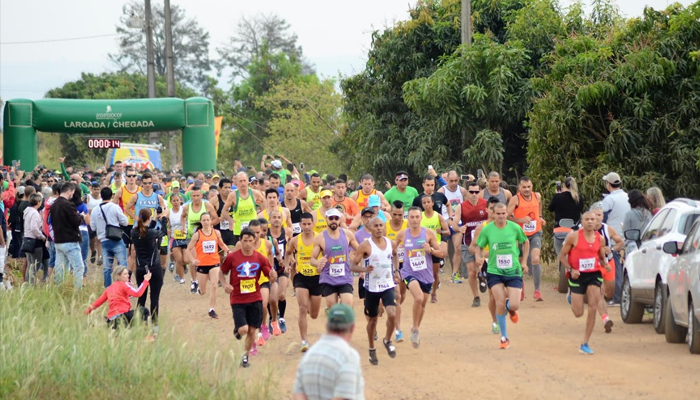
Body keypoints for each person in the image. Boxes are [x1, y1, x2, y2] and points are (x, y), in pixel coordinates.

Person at [219, 227, 277, 368]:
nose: (247, 244)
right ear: (240, 241)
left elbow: (269, 271)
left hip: (255, 298)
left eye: (250, 241)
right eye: (245, 241)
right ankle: (238, 330)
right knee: (244, 329)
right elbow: (222, 272)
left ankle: (245, 356)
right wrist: (225, 284)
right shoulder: (233, 257)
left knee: (252, 330)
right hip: (238, 299)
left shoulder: (259, 257)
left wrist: (272, 275)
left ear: (254, 241)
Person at [475, 202, 529, 349]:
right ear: (493, 214)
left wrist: (524, 262)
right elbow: (478, 246)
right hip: (495, 271)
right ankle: (504, 337)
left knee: (515, 304)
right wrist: (478, 257)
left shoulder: (515, 228)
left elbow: (525, 242)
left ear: (507, 213)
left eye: (503, 213)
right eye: (497, 213)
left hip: (513, 271)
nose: (500, 216)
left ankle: (509, 307)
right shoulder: (488, 230)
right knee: (498, 302)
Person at [559, 211, 610, 355]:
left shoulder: (600, 239)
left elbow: (600, 257)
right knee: (578, 312)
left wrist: (605, 264)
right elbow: (562, 256)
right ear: (582, 221)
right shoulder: (573, 237)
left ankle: (585, 343)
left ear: (596, 222)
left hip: (594, 274)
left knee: (593, 307)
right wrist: (571, 269)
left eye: (592, 219)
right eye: (587, 219)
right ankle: (571, 295)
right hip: (577, 275)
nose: (589, 222)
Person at [394, 207, 445, 348]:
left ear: (421, 218)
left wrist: (431, 250)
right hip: (409, 272)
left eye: (417, 217)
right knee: (418, 297)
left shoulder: (428, 233)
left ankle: (415, 328)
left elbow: (441, 253)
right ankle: (415, 329)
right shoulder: (402, 234)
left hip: (426, 274)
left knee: (422, 305)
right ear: (408, 218)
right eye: (412, 217)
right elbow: (392, 250)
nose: (415, 220)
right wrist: (394, 268)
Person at [352, 217, 399, 366]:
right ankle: (372, 348)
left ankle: (387, 340)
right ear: (370, 228)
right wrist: (364, 269)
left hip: (387, 285)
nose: (379, 228)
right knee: (372, 320)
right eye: (376, 226)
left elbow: (396, 255)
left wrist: (396, 270)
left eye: (381, 225)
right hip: (371, 288)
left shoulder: (391, 243)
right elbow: (352, 265)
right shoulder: (365, 246)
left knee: (392, 314)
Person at [293, 303, 365, 400]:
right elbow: (343, 397)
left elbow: (298, 394)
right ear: (352, 328)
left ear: (327, 325)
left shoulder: (309, 355)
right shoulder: (349, 356)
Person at [310, 208, 362, 309]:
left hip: (345, 276)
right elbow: (312, 259)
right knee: (333, 309)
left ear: (340, 220)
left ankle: (346, 323)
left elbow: (360, 250)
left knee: (347, 306)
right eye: (331, 218)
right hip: (328, 278)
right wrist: (318, 263)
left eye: (336, 218)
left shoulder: (347, 234)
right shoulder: (320, 238)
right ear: (326, 219)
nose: (333, 221)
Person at [287, 212, 322, 352]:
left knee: (314, 314)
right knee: (302, 308)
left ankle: (309, 306)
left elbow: (327, 253)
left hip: (317, 278)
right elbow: (288, 252)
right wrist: (288, 263)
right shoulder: (295, 240)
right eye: (304, 224)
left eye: (309, 224)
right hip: (301, 277)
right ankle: (304, 341)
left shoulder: (320, 238)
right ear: (300, 225)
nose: (306, 227)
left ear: (313, 224)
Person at [508, 176, 545, 301]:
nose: (527, 189)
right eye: (524, 187)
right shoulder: (515, 199)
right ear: (519, 188)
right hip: (520, 235)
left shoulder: (537, 196)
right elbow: (506, 216)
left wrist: (540, 217)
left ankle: (537, 290)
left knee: (535, 259)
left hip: (535, 232)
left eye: (529, 187)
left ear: (532, 186)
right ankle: (520, 287)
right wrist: (520, 220)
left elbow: (539, 205)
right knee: (519, 264)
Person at [85, 266, 152, 334]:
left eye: (128, 274)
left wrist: (87, 311)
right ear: (118, 276)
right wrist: (146, 280)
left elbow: (97, 302)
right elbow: (138, 293)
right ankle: (148, 335)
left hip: (111, 320)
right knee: (144, 311)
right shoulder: (124, 285)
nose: (128, 275)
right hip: (122, 317)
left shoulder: (109, 288)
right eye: (125, 274)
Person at [187, 212, 230, 319]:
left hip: (214, 263)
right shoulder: (197, 235)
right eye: (204, 220)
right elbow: (188, 249)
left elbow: (221, 244)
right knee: (203, 291)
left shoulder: (216, 233)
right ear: (201, 222)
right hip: (202, 265)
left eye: (207, 220)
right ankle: (199, 288)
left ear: (211, 221)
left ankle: (211, 309)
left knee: (215, 285)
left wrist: (228, 251)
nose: (206, 222)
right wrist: (193, 260)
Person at [452, 181, 488, 306]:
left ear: (480, 192)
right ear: (467, 192)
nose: (474, 194)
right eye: (471, 192)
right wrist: (459, 229)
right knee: (471, 271)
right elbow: (454, 222)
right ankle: (476, 297)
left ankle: (482, 275)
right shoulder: (461, 207)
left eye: (476, 192)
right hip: (467, 243)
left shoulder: (485, 204)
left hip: (483, 244)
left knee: (480, 268)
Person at [470, 196, 502, 334]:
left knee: (506, 294)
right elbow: (472, 247)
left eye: (497, 210)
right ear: (487, 210)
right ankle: (495, 321)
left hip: (505, 263)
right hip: (489, 265)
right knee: (493, 296)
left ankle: (508, 307)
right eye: (491, 209)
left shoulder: (509, 227)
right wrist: (481, 255)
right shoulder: (481, 228)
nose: (494, 213)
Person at [131, 208, 167, 330]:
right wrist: (163, 220)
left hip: (140, 268)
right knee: (154, 297)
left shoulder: (134, 232)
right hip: (154, 268)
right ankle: (155, 325)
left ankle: (138, 323)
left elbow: (145, 228)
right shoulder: (152, 233)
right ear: (149, 217)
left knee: (141, 297)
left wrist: (154, 220)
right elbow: (163, 232)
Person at [181, 187, 219, 293]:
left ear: (202, 196)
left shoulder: (207, 205)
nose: (196, 198)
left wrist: (207, 224)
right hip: (192, 236)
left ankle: (206, 278)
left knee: (204, 258)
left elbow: (216, 218)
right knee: (192, 259)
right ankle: (194, 281)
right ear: (191, 197)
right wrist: (183, 226)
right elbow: (182, 216)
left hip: (206, 237)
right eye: (194, 196)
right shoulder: (187, 207)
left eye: (198, 195)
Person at [89, 187, 129, 287]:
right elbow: (125, 221)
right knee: (122, 265)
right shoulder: (115, 207)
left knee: (107, 267)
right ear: (112, 196)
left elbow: (93, 227)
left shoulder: (95, 210)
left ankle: (108, 289)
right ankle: (124, 287)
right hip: (116, 239)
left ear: (101, 196)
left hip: (104, 241)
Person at [549, 177, 585, 285]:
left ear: (564, 185)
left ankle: (563, 280)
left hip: (560, 229)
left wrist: (558, 195)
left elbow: (550, 208)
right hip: (574, 231)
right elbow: (581, 210)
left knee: (561, 255)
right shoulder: (579, 198)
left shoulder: (558, 197)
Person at [601, 172, 629, 306]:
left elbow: (603, 218)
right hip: (627, 237)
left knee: (616, 269)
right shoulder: (627, 196)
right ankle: (625, 297)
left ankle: (617, 298)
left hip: (614, 238)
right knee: (626, 269)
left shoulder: (609, 199)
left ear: (608, 184)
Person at [50, 182, 85, 288]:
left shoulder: (54, 204)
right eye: (72, 193)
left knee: (60, 268)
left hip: (58, 240)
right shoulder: (68, 204)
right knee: (78, 267)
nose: (73, 195)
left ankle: (59, 288)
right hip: (70, 240)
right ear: (69, 191)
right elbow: (76, 221)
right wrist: (81, 216)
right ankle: (77, 290)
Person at [419, 195, 449, 303]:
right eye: (424, 203)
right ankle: (423, 292)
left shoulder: (438, 216)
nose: (426, 204)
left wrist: (440, 231)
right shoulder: (420, 217)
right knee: (422, 271)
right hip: (423, 248)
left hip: (435, 247)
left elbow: (447, 231)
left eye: (428, 202)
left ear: (432, 203)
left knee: (435, 273)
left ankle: (434, 293)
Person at [167, 193, 192, 284]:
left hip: (185, 237)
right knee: (179, 260)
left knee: (186, 260)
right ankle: (182, 278)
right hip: (175, 238)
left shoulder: (184, 209)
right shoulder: (169, 212)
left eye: (177, 200)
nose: (176, 202)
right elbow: (166, 223)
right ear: (171, 202)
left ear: (180, 201)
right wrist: (168, 230)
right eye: (174, 201)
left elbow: (190, 220)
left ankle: (183, 267)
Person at [23, 193, 47, 284]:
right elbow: (34, 228)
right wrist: (41, 236)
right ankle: (31, 284)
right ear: (38, 202)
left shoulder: (27, 211)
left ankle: (28, 283)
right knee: (35, 265)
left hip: (26, 238)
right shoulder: (34, 213)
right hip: (35, 240)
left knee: (30, 264)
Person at [622, 189, 653, 254]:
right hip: (647, 245)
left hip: (632, 246)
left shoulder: (629, 214)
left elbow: (626, 233)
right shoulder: (648, 213)